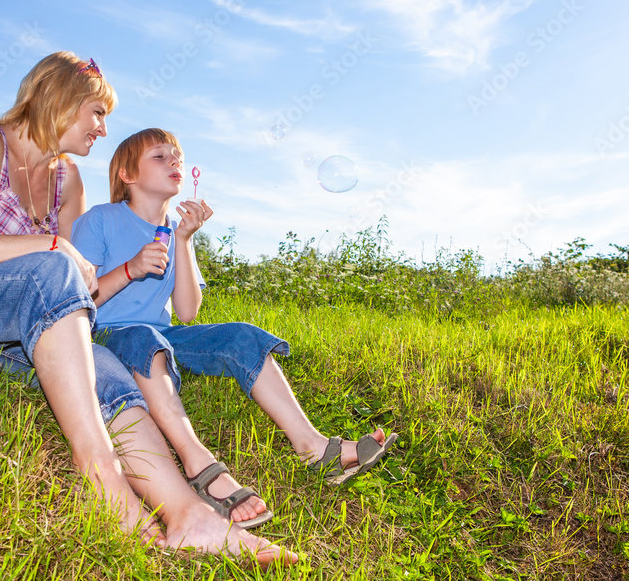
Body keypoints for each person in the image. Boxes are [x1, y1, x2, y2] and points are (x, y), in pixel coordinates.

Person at [0, 53, 296, 566]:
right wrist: (55, 246)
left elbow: (77, 286)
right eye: (96, 113)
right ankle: (105, 480)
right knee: (50, 262)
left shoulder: (69, 179)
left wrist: (66, 253)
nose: (103, 129)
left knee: (101, 363)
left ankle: (188, 514)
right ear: (58, 98)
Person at [71, 127, 397, 528]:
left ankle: (315, 448)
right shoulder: (101, 220)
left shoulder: (174, 233)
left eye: (177, 155)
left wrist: (185, 240)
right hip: (105, 335)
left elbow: (188, 312)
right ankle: (198, 462)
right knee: (144, 337)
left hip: (162, 335)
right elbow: (77, 298)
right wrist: (130, 269)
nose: (175, 162)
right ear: (126, 174)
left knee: (241, 335)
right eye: (160, 156)